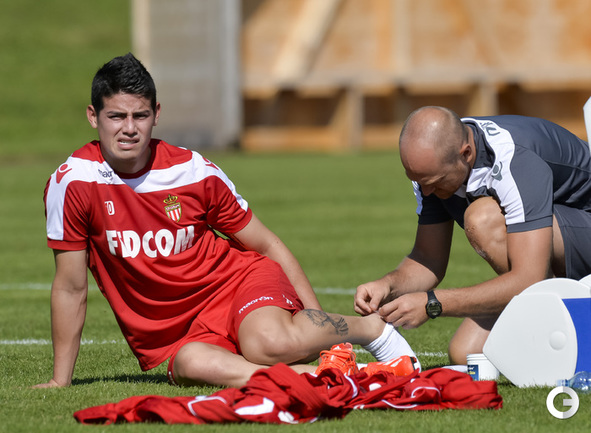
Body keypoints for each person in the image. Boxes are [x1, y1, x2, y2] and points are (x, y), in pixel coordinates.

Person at [35, 53, 417, 389]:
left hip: (237, 285)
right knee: (192, 364)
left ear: (157, 114)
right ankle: (317, 378)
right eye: (116, 116)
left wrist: (322, 331)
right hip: (177, 336)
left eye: (141, 115)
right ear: (93, 116)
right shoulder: (72, 183)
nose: (129, 128)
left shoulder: (192, 171)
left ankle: (373, 330)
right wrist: (60, 380)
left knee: (268, 344)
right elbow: (70, 287)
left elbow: (266, 244)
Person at [355, 105, 591, 365]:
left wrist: (433, 303)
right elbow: (428, 259)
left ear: (466, 154)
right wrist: (387, 285)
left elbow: (528, 279)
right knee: (467, 354)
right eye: (420, 182)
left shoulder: (513, 159)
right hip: (551, 246)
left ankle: (576, 328)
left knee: (483, 220)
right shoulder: (433, 168)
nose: (427, 191)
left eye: (435, 182)